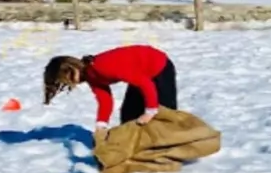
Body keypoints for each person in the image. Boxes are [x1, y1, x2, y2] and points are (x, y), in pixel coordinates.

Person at [42, 44, 178, 136]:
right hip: (140, 74)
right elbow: (105, 100)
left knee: (164, 112)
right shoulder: (91, 76)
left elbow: (144, 83)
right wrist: (101, 124)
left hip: (158, 66)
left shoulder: (103, 67)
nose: (71, 84)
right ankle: (138, 145)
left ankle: (173, 144)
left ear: (72, 69)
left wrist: (150, 111)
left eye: (68, 80)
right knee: (129, 114)